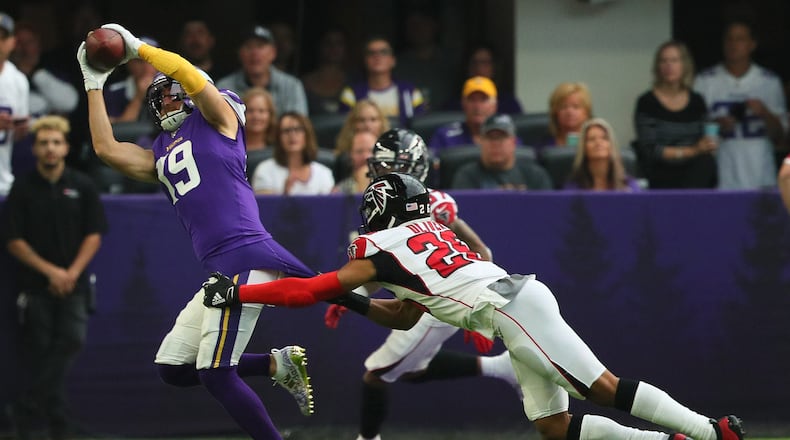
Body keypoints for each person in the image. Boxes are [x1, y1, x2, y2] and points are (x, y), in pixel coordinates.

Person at [202, 171, 745, 440]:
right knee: (555, 429)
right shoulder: (422, 236)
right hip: (514, 302)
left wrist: (241, 292)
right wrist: (354, 297)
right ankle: (674, 439)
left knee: (600, 387)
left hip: (510, 309)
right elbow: (402, 313)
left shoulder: (380, 248)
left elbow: (303, 291)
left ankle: (710, 431)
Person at [77, 23, 314, 438]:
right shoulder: (161, 150)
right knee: (174, 368)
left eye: (172, 91)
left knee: (217, 373)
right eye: (160, 95)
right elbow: (106, 150)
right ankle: (275, 364)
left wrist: (140, 50)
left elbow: (191, 76)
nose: (166, 99)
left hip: (247, 255)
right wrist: (93, 83)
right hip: (221, 268)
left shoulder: (220, 118)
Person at [325, 129, 520, 440]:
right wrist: (352, 294)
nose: (377, 172)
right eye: (378, 166)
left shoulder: (434, 204)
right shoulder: (390, 210)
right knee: (412, 370)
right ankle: (502, 368)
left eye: (387, 167)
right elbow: (382, 272)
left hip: (438, 305)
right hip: (424, 301)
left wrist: (479, 313)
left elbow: (481, 252)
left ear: (410, 168)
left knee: (375, 375)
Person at [2, 115, 107, 440]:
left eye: (56, 143)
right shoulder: (23, 187)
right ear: (34, 149)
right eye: (44, 143)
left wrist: (70, 273)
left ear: (66, 148)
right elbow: (13, 240)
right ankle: (58, 424)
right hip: (35, 286)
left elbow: (95, 233)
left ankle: (25, 406)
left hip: (74, 284)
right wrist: (51, 273)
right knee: (40, 349)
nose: (50, 149)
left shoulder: (82, 185)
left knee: (71, 340)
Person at [693, 19, 787, 190]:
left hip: (760, 174)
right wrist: (717, 125)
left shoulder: (769, 81)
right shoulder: (705, 81)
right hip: (721, 173)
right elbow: (692, 132)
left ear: (752, 44)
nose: (733, 44)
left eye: (740, 39)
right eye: (729, 39)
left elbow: (780, 137)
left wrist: (764, 113)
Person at [634, 40, 717, 189]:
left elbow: (705, 140)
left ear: (684, 65)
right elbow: (650, 150)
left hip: (694, 172)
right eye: (663, 61)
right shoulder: (647, 102)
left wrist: (706, 146)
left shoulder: (697, 101)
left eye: (674, 60)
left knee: (706, 163)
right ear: (657, 67)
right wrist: (692, 151)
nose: (669, 66)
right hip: (659, 170)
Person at [216, 24, 308, 116]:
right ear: (239, 53)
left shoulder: (292, 86)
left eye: (260, 46)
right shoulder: (224, 87)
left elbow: (298, 126)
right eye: (249, 46)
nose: (254, 53)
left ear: (273, 52)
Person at [338, 36, 426, 127]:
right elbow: (346, 131)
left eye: (384, 52)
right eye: (371, 53)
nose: (377, 56)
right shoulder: (351, 94)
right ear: (365, 60)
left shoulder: (410, 92)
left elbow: (421, 128)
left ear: (393, 60)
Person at [451, 114, 552, 191]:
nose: (495, 143)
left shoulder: (535, 176)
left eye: (501, 137)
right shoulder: (467, 176)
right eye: (490, 138)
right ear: (480, 142)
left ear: (513, 142)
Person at [392, 8, 460, 111]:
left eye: (423, 24)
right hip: (412, 120)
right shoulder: (399, 64)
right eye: (413, 26)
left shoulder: (450, 62)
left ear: (434, 26)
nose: (418, 30)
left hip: (447, 117)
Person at [251, 111, 334, 195]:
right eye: (286, 131)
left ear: (307, 135)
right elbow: (263, 206)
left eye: (298, 129)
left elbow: (328, 207)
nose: (292, 135)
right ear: (278, 137)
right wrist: (284, 194)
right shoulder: (265, 170)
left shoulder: (324, 173)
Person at [11, 22, 79, 118]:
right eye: (19, 43)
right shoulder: (5, 75)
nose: (24, 48)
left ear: (38, 43)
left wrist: (33, 73)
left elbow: (69, 103)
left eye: (29, 42)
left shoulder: (54, 67)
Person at [564, 118, 641, 191]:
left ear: (612, 145)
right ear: (583, 148)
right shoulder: (574, 187)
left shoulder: (628, 186)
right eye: (591, 139)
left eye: (604, 138)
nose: (598, 142)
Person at [444, 43, 523, 115]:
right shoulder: (452, 105)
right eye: (474, 62)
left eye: (484, 62)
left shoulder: (509, 104)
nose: (479, 68)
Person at [428, 76, 499, 155]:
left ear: (494, 105)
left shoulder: (504, 137)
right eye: (472, 100)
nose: (477, 106)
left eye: (483, 100)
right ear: (463, 104)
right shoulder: (444, 136)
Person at [0, 11, 30, 196]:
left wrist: (21, 128)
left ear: (13, 42)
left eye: (3, 37)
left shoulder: (18, 80)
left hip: (3, 180)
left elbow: (18, 136)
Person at [104, 36, 160, 124]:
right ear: (129, 63)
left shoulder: (171, 89)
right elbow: (117, 131)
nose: (146, 67)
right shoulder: (114, 92)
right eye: (140, 61)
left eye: (151, 61)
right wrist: (138, 97)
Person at [332, 99, 390, 182]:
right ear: (353, 124)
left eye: (373, 119)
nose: (367, 125)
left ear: (381, 123)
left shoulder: (391, 151)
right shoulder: (342, 158)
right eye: (362, 120)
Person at [301, 28, 350, 115]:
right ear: (319, 46)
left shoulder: (353, 82)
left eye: (339, 43)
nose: (333, 47)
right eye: (328, 42)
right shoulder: (303, 84)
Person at [540, 82, 593, 151]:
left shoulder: (597, 144)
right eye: (563, 107)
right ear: (555, 112)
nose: (569, 112)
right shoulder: (544, 146)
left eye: (576, 106)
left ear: (586, 112)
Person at [242, 87, 277, 183]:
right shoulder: (231, 147)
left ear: (270, 115)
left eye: (261, 111)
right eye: (250, 111)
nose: (256, 116)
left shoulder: (279, 148)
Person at [332, 130, 376, 194]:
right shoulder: (339, 191)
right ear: (350, 155)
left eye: (371, 150)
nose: (366, 157)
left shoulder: (392, 184)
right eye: (359, 151)